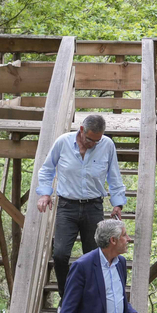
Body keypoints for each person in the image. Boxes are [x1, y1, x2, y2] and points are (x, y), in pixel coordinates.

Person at [36, 114, 126, 297]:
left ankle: (90, 297)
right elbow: (47, 169)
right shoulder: (63, 142)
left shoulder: (106, 145)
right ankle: (66, 296)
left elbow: (114, 176)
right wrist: (45, 193)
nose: (93, 144)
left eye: (97, 140)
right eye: (90, 139)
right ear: (82, 130)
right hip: (67, 207)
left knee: (94, 256)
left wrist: (118, 204)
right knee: (60, 255)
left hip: (93, 207)